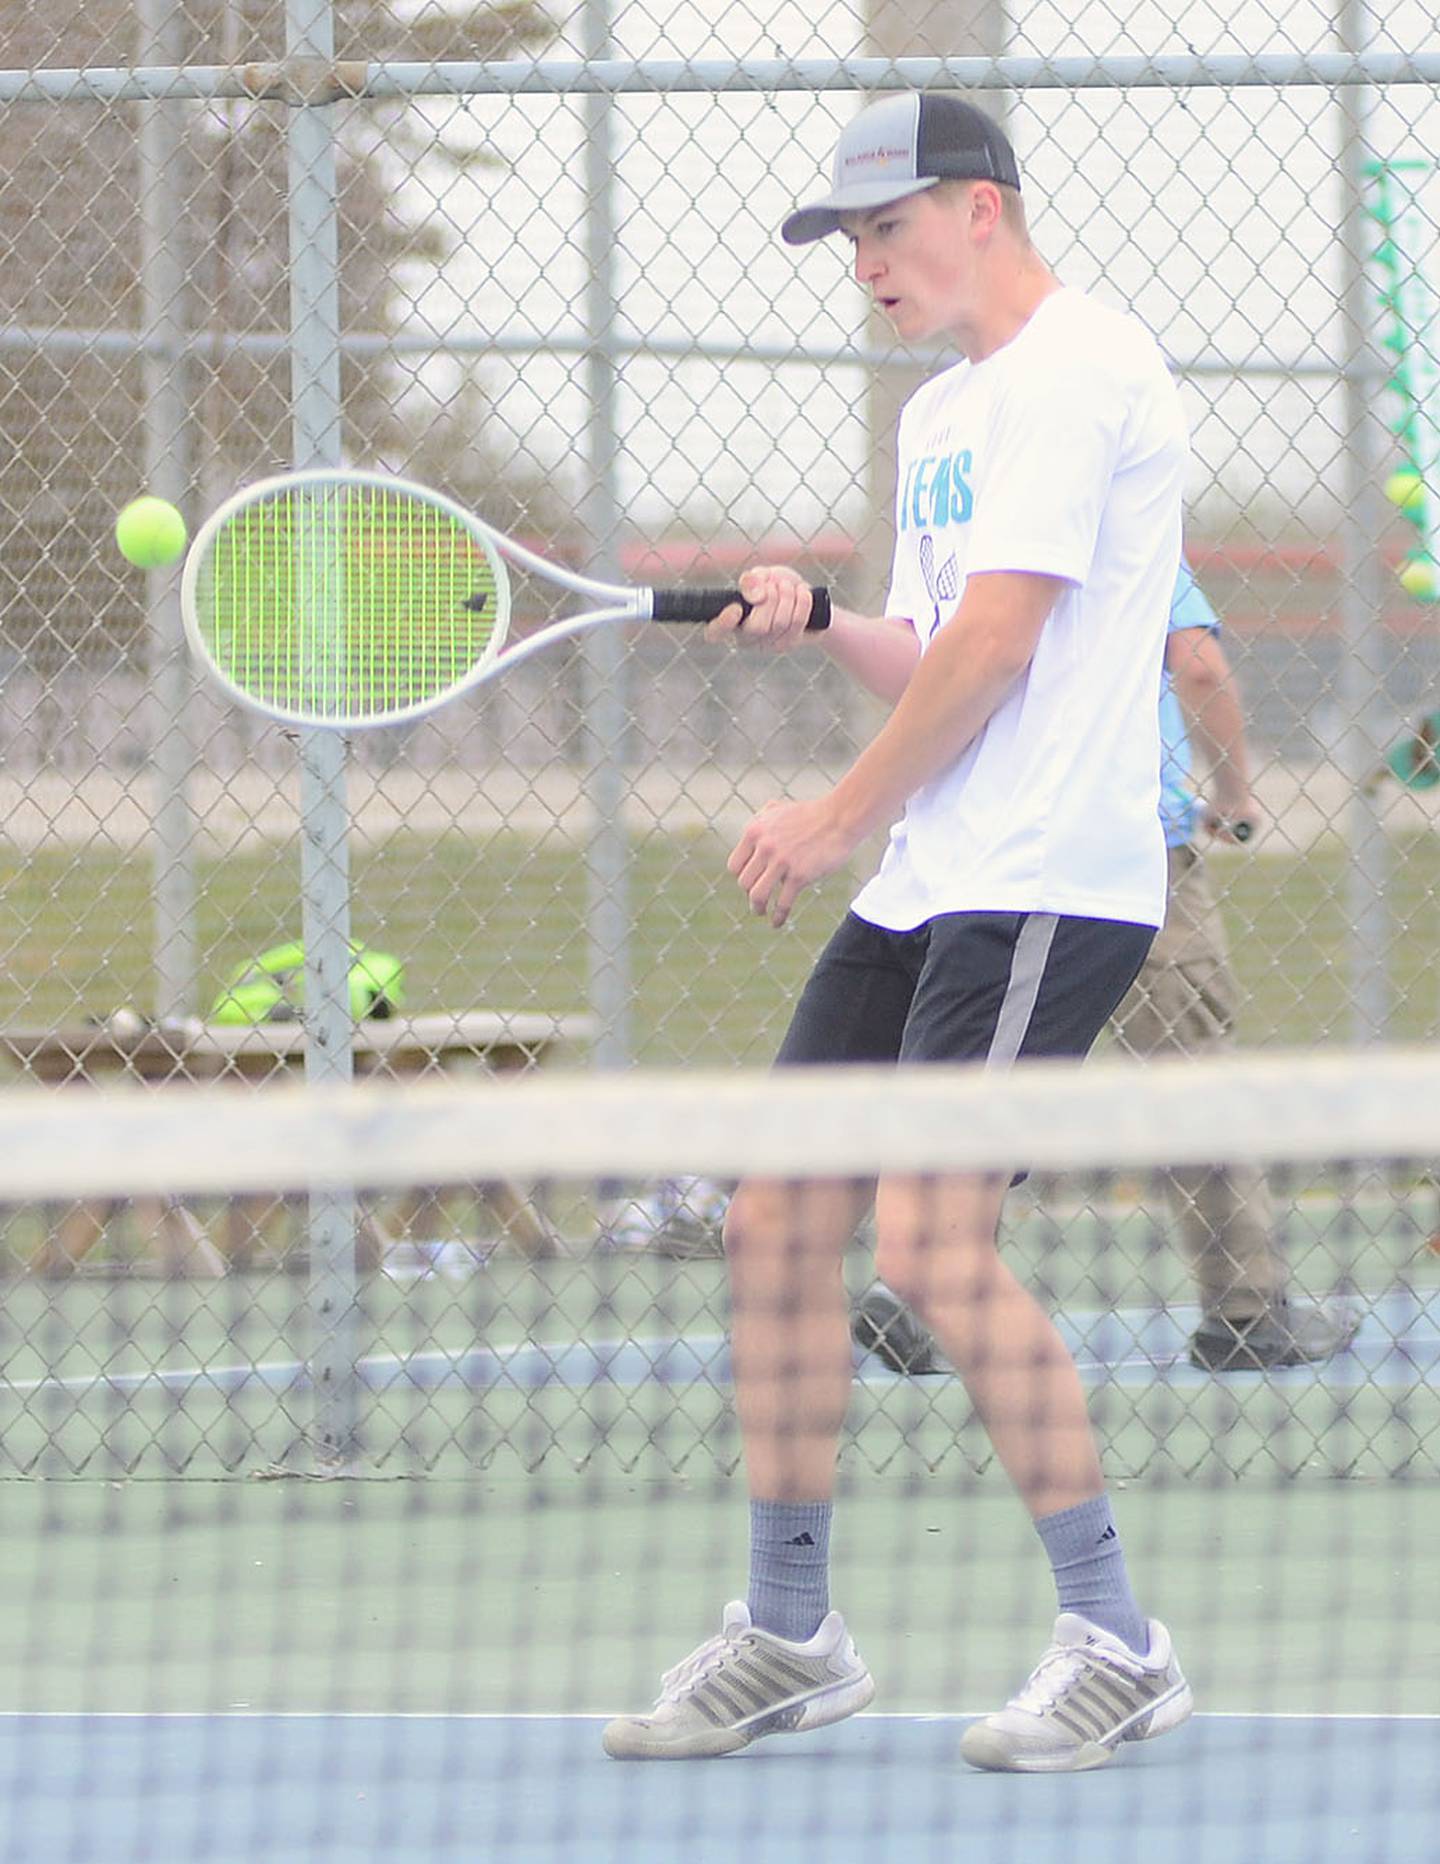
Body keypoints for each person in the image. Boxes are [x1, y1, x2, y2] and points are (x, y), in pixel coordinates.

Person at [602, 90, 1194, 1774]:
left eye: (890, 225)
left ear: (983, 206)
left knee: (930, 1249)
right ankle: (791, 1627)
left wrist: (832, 811)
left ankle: (1116, 1638)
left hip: (1047, 885)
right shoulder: (946, 409)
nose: (866, 260)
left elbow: (1007, 642)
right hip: (934, 875)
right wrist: (823, 619)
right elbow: (936, 637)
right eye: (849, 239)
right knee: (776, 1217)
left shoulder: (1084, 370)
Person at [853, 559, 1363, 1376]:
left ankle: (918, 1290)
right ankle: (1246, 1310)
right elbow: (1197, 665)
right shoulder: (1137, 526)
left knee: (990, 1070)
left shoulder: (978, 535)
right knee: (1188, 1071)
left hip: (993, 851)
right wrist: (1235, 794)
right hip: (1129, 856)